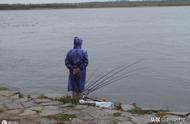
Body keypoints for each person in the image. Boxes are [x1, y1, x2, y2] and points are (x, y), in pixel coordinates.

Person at [65, 36, 88, 103]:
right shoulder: (84, 52)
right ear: (80, 43)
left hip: (73, 72)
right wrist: (79, 68)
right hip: (81, 72)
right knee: (81, 86)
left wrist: (73, 68)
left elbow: (66, 62)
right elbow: (86, 62)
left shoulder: (69, 52)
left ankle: (74, 101)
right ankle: (80, 101)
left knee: (74, 86)